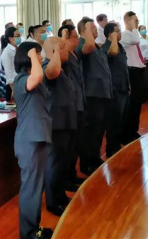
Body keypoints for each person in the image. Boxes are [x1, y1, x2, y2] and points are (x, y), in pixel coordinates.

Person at [13, 42, 53, 240]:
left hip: (39, 137)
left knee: (36, 187)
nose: (41, 57)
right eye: (38, 54)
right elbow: (37, 76)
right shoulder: (21, 79)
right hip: (30, 141)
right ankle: (28, 234)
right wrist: (30, 53)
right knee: (31, 188)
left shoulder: (32, 79)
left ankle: (34, 229)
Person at [43, 37, 78, 216]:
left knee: (62, 162)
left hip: (66, 120)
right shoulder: (48, 66)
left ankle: (60, 195)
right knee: (54, 164)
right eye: (63, 48)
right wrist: (56, 50)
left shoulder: (62, 67)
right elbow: (52, 72)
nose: (67, 52)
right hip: (56, 123)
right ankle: (52, 202)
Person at [76, 17, 114, 176]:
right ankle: (87, 163)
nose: (96, 29)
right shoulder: (83, 44)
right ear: (83, 31)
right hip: (92, 95)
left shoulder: (97, 46)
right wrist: (86, 30)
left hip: (102, 93)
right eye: (91, 27)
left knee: (99, 129)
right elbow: (88, 46)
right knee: (90, 131)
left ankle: (95, 157)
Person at [58, 25, 86, 187]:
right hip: (72, 103)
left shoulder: (75, 53)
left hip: (80, 101)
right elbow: (61, 57)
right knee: (69, 144)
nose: (78, 39)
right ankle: (66, 178)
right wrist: (62, 37)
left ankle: (71, 173)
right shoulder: (64, 55)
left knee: (76, 142)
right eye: (74, 36)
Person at [120, 12, 147, 144]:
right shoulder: (125, 34)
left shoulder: (131, 34)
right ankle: (126, 134)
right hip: (131, 71)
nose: (136, 23)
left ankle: (133, 130)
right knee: (132, 104)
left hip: (138, 71)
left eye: (137, 21)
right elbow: (136, 40)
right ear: (127, 20)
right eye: (134, 20)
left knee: (137, 103)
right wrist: (133, 27)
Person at [103, 22, 130, 157]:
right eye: (117, 31)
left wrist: (128, 84)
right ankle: (111, 148)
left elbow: (124, 67)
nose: (120, 33)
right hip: (114, 89)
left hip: (123, 86)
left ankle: (117, 144)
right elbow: (112, 53)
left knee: (121, 119)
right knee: (113, 120)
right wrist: (113, 39)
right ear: (110, 34)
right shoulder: (107, 47)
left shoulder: (120, 46)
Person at [1, 27, 22, 98]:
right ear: (10, 38)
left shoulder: (18, 49)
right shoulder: (7, 53)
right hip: (13, 86)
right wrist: (13, 89)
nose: (19, 38)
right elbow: (8, 73)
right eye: (17, 36)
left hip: (20, 82)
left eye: (20, 35)